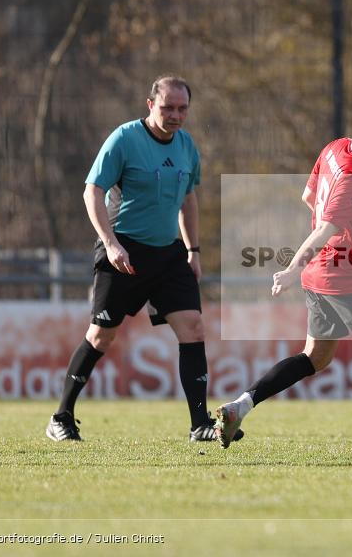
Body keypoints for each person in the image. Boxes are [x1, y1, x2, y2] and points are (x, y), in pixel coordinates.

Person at [214, 96, 352, 460]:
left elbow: (308, 197)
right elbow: (328, 226)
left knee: (315, 357)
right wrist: (293, 266)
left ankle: (241, 405)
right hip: (351, 275)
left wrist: (341, 230)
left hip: (321, 277)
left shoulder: (335, 149)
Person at [46, 75, 230, 443]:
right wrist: (110, 244)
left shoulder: (187, 146)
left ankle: (200, 424)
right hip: (125, 251)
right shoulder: (124, 139)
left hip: (169, 254)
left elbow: (188, 198)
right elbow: (92, 192)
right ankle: (61, 417)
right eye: (167, 108)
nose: (175, 115)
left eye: (182, 109)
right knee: (101, 336)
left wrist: (193, 250)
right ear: (150, 105)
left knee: (193, 327)